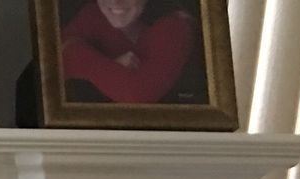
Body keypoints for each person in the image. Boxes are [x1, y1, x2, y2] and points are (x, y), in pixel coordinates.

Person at [61, 0, 198, 105]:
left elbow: (138, 94)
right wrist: (112, 67)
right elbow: (52, 64)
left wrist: (77, 55)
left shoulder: (175, 27)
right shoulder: (93, 14)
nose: (115, 1)